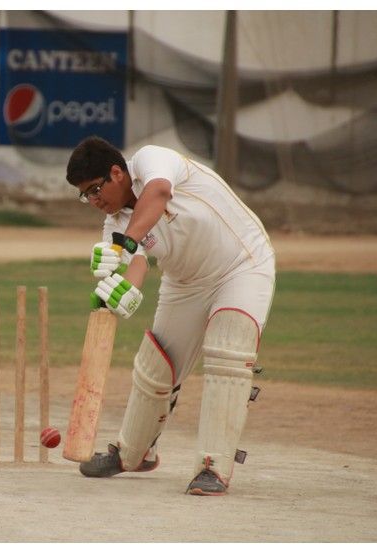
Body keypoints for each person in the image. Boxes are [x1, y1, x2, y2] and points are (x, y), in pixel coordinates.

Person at [65, 136, 275, 496]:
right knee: (156, 365)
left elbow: (159, 193)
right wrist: (123, 292)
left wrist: (124, 243)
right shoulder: (114, 224)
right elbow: (136, 266)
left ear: (117, 173)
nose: (94, 201)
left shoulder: (153, 160)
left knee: (228, 348)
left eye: (96, 189)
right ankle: (134, 454)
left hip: (242, 264)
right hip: (185, 282)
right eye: (85, 195)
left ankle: (212, 466)